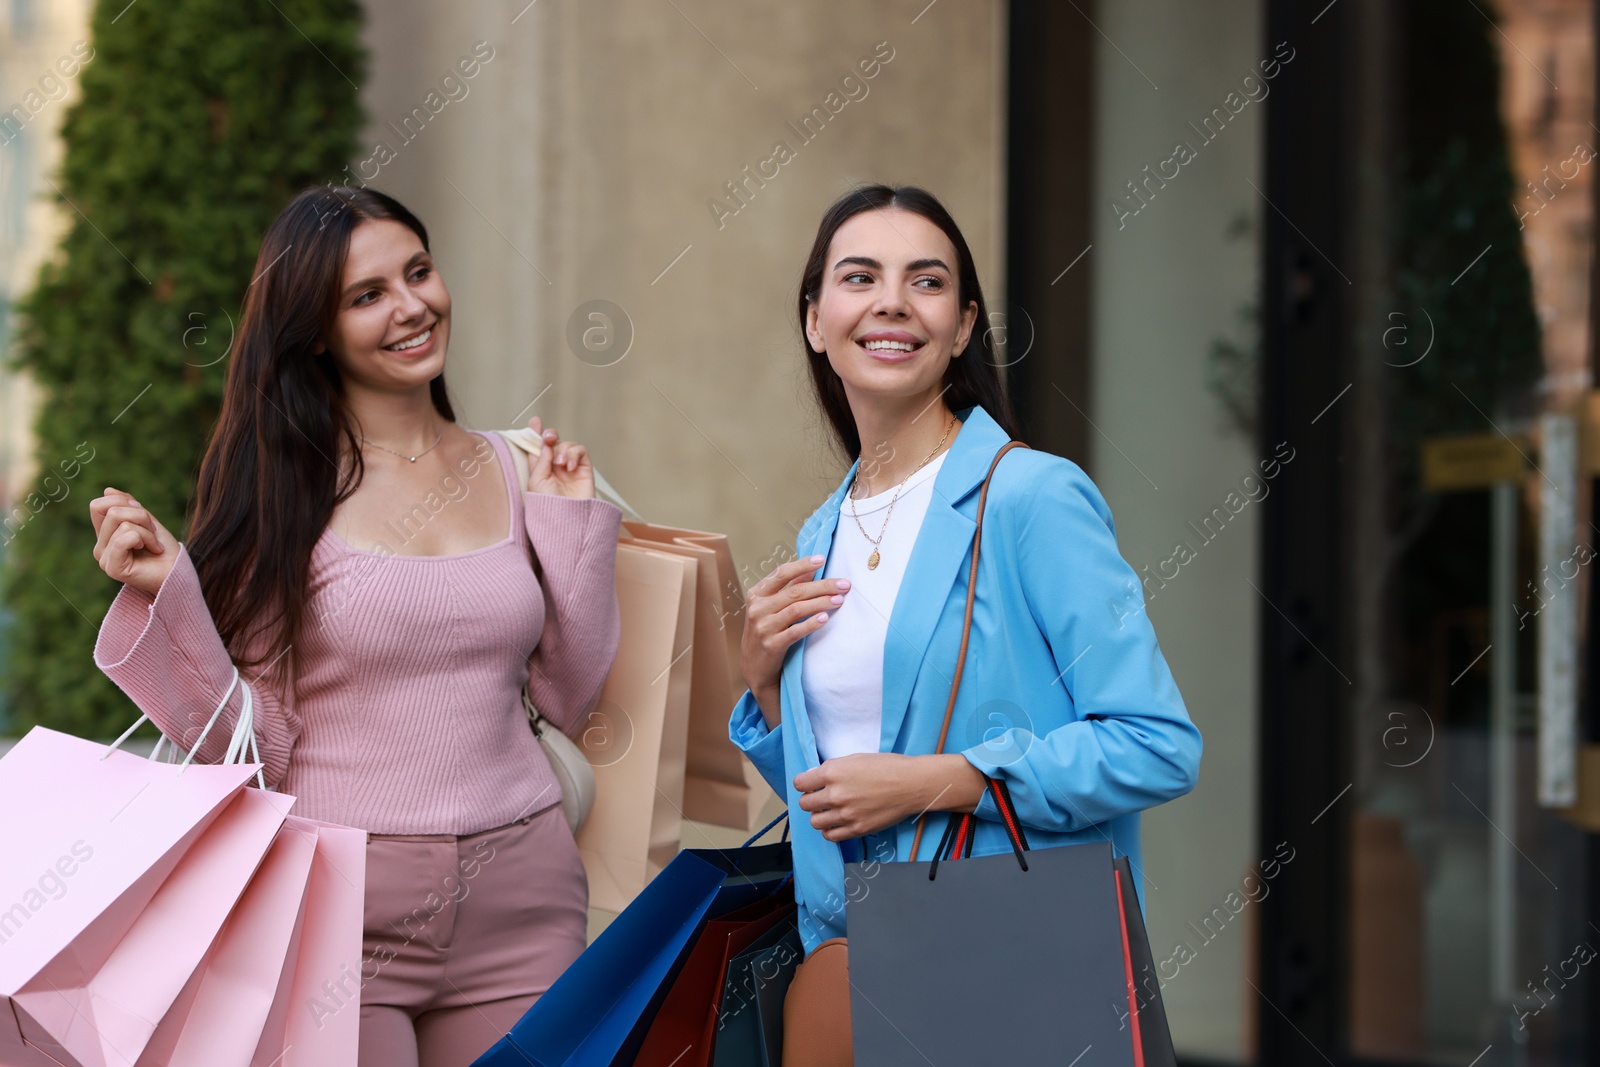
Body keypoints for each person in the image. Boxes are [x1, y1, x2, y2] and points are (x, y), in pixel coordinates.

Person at [87, 186, 621, 1067]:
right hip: (340, 909)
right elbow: (250, 745)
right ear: (314, 332)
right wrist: (166, 590)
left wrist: (572, 525)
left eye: (418, 272)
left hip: (523, 894)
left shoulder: (516, 465)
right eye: (367, 295)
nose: (411, 305)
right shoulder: (281, 500)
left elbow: (565, 693)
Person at [728, 184, 1203, 1060]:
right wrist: (763, 687)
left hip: (997, 959)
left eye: (927, 281)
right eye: (860, 275)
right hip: (841, 968)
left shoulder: (1028, 496)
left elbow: (1157, 741)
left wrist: (944, 780)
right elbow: (838, 778)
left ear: (962, 324)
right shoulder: (821, 533)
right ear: (815, 319)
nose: (892, 302)